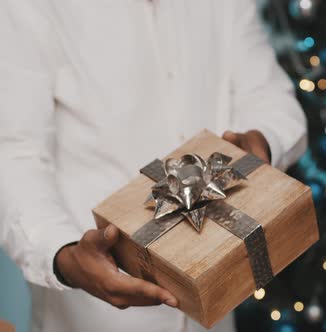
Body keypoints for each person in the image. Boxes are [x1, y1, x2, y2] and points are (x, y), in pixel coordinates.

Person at [0, 1, 307, 331]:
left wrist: (263, 141)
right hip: (90, 316)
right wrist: (62, 254)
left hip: (214, 309)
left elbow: (271, 98)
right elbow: (14, 152)